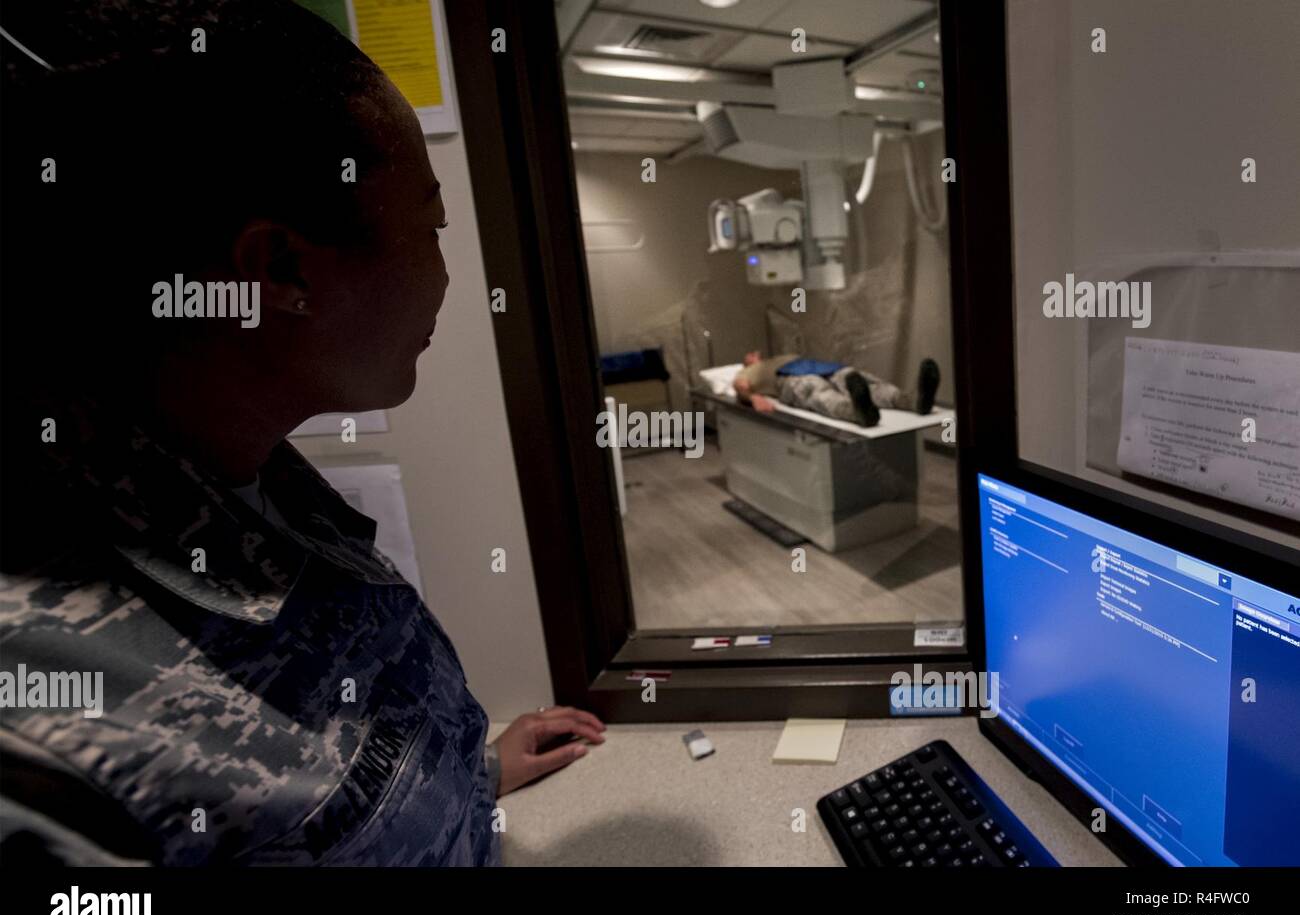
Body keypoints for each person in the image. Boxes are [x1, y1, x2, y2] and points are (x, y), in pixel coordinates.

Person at [0, 0, 602, 866]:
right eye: (429, 226)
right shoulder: (46, 751)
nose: (442, 275)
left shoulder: (250, 477)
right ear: (282, 270)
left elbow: (324, 797)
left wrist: (464, 777)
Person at [733, 352, 941, 427]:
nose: (754, 352)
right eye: (749, 354)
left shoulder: (780, 355)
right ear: (746, 362)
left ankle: (913, 401)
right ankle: (858, 413)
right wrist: (753, 399)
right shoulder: (747, 372)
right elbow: (740, 388)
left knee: (867, 384)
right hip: (792, 378)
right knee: (819, 394)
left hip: (827, 368)